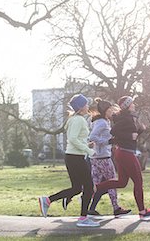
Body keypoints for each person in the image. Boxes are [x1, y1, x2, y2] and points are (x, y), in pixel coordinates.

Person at [38, 94, 100, 227]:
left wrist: (86, 145)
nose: (88, 106)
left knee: (77, 188)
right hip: (76, 158)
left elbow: (75, 139)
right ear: (81, 107)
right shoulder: (79, 120)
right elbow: (72, 139)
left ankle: (47, 200)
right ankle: (83, 219)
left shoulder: (73, 119)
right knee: (89, 187)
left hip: (72, 156)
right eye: (86, 104)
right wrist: (89, 150)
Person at [93, 95, 150, 220]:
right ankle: (142, 211)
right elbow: (114, 132)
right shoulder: (125, 118)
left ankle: (95, 188)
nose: (134, 105)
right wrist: (129, 135)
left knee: (122, 182)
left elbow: (129, 134)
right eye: (132, 103)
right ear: (127, 106)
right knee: (138, 181)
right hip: (126, 153)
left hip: (122, 152)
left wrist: (140, 131)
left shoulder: (127, 117)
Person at [87, 98, 132, 218]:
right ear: (105, 110)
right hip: (103, 158)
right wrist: (108, 141)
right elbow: (92, 137)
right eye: (110, 109)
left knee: (98, 184)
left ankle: (90, 208)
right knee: (112, 182)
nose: (112, 111)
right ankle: (116, 208)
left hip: (95, 157)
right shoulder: (102, 122)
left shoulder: (101, 121)